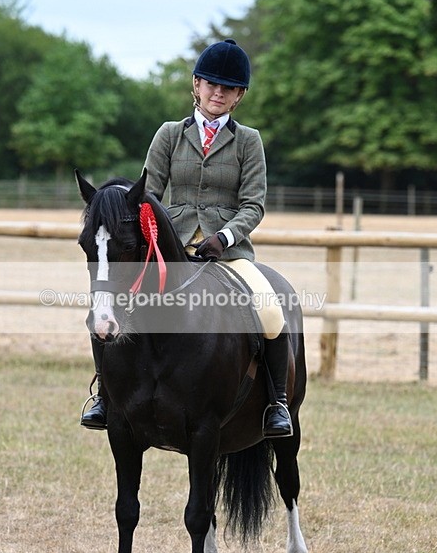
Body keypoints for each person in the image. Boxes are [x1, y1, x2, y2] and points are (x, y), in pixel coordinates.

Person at [81, 39, 292, 438]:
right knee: (109, 304)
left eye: (228, 88)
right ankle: (105, 396)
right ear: (196, 85)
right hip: (167, 249)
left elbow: (254, 204)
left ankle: (277, 404)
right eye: (211, 84)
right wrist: (151, 237)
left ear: (239, 95)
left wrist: (225, 236)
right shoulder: (168, 135)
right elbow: (146, 195)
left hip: (228, 254)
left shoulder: (249, 141)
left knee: (271, 312)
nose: (218, 93)